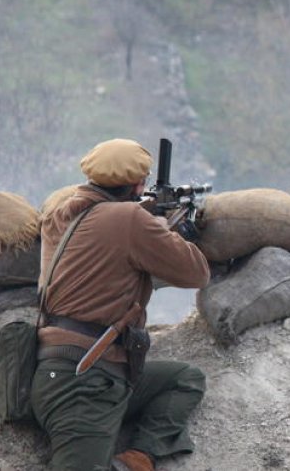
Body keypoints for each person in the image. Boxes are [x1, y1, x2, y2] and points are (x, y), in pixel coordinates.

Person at [33, 138, 210, 471]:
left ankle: (137, 458)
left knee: (184, 378)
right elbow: (196, 273)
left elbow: (102, 244)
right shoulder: (130, 220)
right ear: (138, 183)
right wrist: (167, 230)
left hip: (54, 369)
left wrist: (147, 219)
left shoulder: (59, 215)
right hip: (84, 386)